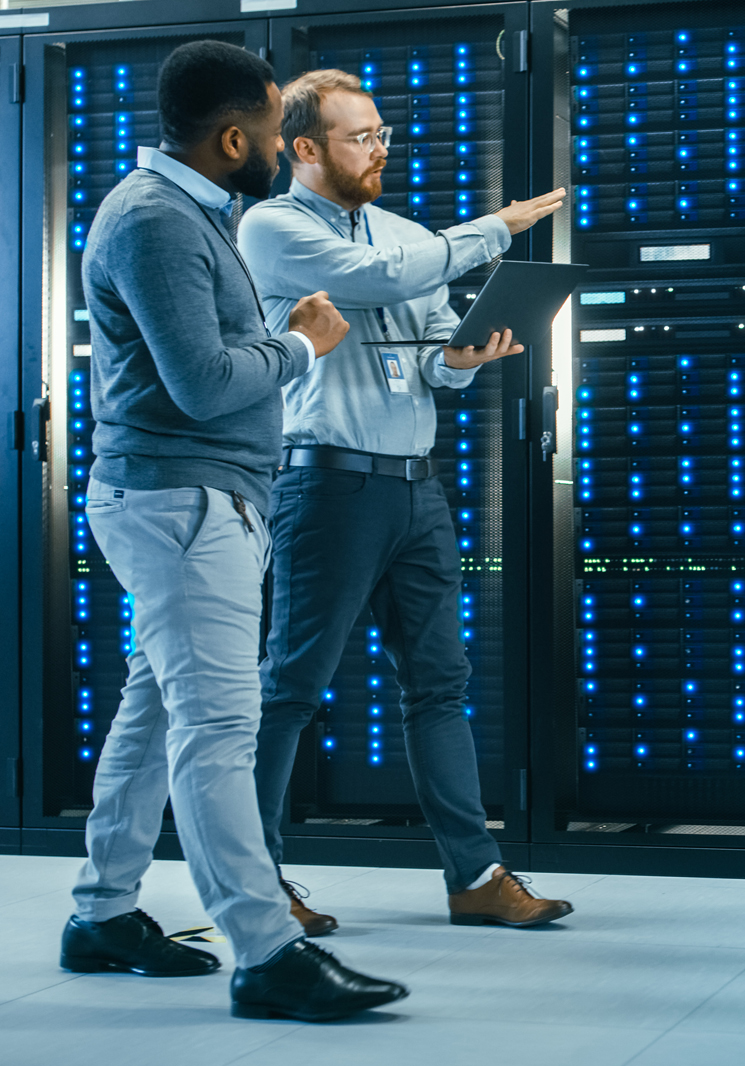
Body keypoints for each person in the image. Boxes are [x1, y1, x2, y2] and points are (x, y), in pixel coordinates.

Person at [58, 40, 408, 1022]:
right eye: (269, 131)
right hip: (181, 502)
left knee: (157, 714)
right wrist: (300, 344)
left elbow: (208, 358)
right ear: (228, 136)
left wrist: (274, 336)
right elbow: (207, 386)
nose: (283, 149)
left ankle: (101, 913)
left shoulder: (188, 213)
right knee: (219, 727)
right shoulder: (158, 220)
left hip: (195, 501)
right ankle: (269, 953)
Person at [238, 68, 571, 934]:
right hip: (326, 484)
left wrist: (457, 363)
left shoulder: (401, 231)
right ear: (305, 149)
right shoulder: (272, 227)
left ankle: (477, 878)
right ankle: (258, 881)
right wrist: (495, 229)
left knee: (439, 686)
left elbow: (422, 341)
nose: (380, 148)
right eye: (361, 137)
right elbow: (383, 281)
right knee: (292, 687)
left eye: (383, 133)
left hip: (416, 489)